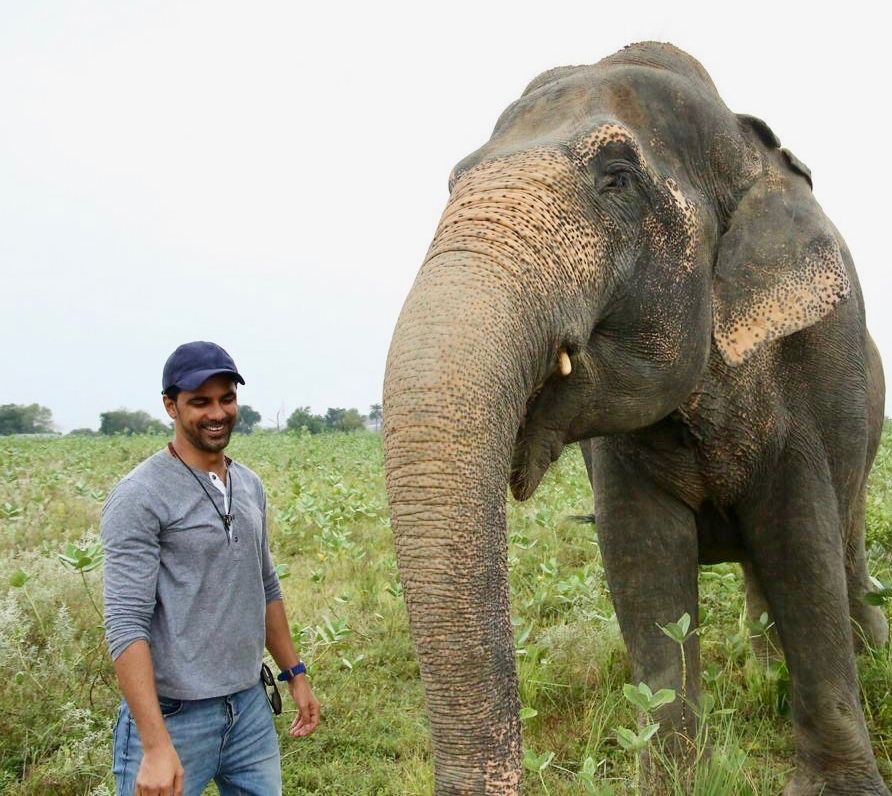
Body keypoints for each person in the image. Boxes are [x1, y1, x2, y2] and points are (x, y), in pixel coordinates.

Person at [101, 341, 320, 796]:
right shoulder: (140, 495)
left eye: (226, 398)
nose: (216, 412)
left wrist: (294, 673)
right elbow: (125, 624)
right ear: (170, 406)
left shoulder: (249, 485)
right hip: (174, 718)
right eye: (200, 402)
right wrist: (156, 745)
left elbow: (265, 585)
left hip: (249, 708)